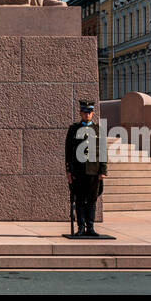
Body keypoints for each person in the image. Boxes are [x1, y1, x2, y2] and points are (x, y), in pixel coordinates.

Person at [64, 100, 108, 236]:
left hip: (94, 171)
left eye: (90, 112)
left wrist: (103, 170)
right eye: (85, 112)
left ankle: (91, 227)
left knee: (92, 200)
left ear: (92, 113)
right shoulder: (74, 129)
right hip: (79, 171)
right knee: (80, 199)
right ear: (80, 113)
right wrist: (69, 171)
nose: (87, 115)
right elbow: (69, 152)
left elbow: (102, 150)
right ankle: (81, 227)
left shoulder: (97, 130)